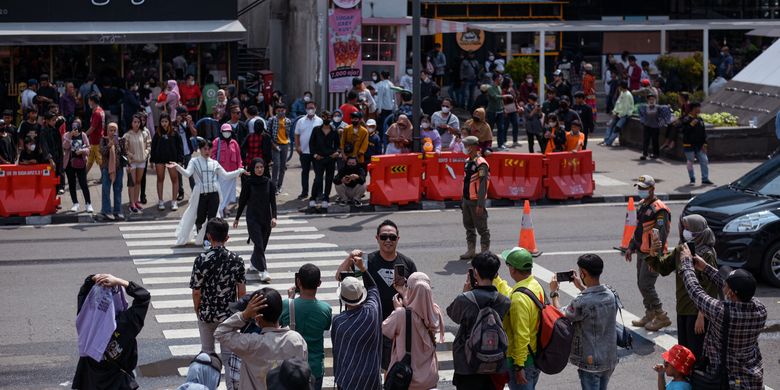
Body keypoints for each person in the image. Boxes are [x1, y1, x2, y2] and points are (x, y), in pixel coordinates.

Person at [679, 245, 767, 389]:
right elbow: (730, 288)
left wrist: (687, 263)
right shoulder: (760, 310)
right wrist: (706, 267)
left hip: (725, 380)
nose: (723, 284)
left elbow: (695, 292)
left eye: (726, 284)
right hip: (751, 379)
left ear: (731, 293)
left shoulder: (721, 312)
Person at [336, 220, 418, 370]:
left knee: (393, 366)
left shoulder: (407, 263)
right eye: (384, 237)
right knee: (370, 364)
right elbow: (339, 276)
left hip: (397, 323)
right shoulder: (368, 261)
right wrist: (349, 258)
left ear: (398, 239)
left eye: (392, 237)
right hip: (371, 322)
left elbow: (416, 293)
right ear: (377, 238)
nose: (388, 240)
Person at [646, 215, 719, 358]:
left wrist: (701, 315)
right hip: (682, 308)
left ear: (697, 231)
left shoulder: (707, 254)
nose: (685, 232)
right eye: (684, 228)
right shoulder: (681, 249)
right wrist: (653, 251)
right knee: (684, 352)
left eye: (688, 229)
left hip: (697, 312)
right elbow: (663, 268)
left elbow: (711, 287)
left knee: (696, 352)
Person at [214, 288, 308, 390]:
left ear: (257, 318)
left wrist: (244, 315)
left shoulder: (251, 343)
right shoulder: (296, 340)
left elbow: (220, 333)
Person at [549, 254, 619, 389]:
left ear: (583, 273)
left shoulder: (582, 302)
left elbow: (560, 314)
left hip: (590, 362)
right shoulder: (611, 294)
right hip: (609, 358)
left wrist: (554, 292)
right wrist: (581, 287)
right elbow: (594, 299)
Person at [71, 274, 149, 390]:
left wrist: (93, 278)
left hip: (89, 381)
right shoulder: (126, 324)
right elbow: (143, 296)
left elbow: (84, 292)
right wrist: (121, 282)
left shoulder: (87, 318)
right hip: (118, 383)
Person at [447, 251, 511, 389]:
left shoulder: (465, 299)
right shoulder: (504, 301)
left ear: (475, 273)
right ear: (496, 274)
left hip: (467, 364)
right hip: (494, 362)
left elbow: (453, 315)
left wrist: (465, 292)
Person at [190, 218, 246, 371]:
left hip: (206, 313)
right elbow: (241, 292)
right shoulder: (237, 260)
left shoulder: (201, 259)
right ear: (227, 237)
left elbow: (196, 291)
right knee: (229, 357)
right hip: (228, 315)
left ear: (209, 236)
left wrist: (198, 310)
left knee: (207, 354)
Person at [172, 137, 246, 246]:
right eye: (204, 149)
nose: (207, 151)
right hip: (200, 195)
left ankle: (207, 241)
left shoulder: (215, 163)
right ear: (200, 150)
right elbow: (187, 174)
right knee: (200, 218)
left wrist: (240, 171)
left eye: (209, 149)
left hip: (214, 194)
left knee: (212, 218)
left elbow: (226, 175)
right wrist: (177, 167)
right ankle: (200, 235)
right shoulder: (194, 161)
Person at [625, 175, 673, 331]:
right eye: (639, 188)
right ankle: (650, 313)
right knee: (641, 283)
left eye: (644, 189)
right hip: (641, 251)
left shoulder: (660, 210)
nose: (640, 191)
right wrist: (631, 247)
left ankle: (662, 316)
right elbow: (639, 229)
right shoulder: (642, 205)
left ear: (652, 189)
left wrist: (655, 258)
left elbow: (661, 234)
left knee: (646, 284)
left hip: (652, 254)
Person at [382, 272, 444, 390]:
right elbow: (420, 306)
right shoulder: (435, 311)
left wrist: (398, 309)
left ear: (410, 289)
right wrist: (407, 297)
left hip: (406, 378)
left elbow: (385, 329)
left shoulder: (401, 315)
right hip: (429, 378)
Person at [493, 247, 544, 390]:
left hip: (523, 361)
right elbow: (511, 293)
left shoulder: (518, 299)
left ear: (513, 270)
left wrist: (519, 366)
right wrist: (497, 281)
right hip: (535, 355)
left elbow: (521, 335)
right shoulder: (534, 285)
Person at [331, 253, 382, 390]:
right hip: (371, 376)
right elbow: (373, 288)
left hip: (348, 378)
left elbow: (338, 349)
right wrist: (363, 269)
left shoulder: (339, 321)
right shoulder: (372, 311)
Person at [279, 264, 332, 390]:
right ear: (319, 283)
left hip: (291, 368)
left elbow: (280, 322)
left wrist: (290, 299)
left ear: (298, 282)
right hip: (314, 368)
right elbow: (326, 326)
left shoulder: (287, 305)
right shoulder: (325, 309)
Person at [234, 158, 277, 282]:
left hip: (266, 218)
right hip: (252, 218)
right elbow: (242, 201)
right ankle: (263, 271)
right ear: (253, 169)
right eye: (257, 167)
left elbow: (273, 203)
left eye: (261, 167)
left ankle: (254, 262)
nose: (259, 170)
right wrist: (237, 218)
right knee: (258, 243)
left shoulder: (269, 183)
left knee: (262, 245)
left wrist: (274, 217)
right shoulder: (248, 182)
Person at [459, 136, 490, 260]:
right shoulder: (468, 162)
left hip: (476, 201)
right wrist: (462, 200)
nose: (464, 148)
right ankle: (471, 251)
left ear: (471, 147)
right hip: (467, 200)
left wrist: (480, 204)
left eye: (465, 145)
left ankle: (485, 253)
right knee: (469, 226)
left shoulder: (481, 164)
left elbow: (483, 185)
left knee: (482, 228)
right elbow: (466, 182)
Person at [151, 113, 182, 211]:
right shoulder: (157, 133)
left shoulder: (175, 132)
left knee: (174, 179)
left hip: (172, 159)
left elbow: (180, 147)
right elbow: (153, 147)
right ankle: (160, 201)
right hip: (159, 159)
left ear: (169, 122)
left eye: (166, 121)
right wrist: (152, 160)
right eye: (162, 121)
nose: (164, 124)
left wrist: (180, 160)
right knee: (160, 178)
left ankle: (174, 201)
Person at [212, 124, 243, 217]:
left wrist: (240, 167)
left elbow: (238, 157)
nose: (227, 133)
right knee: (221, 192)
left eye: (228, 131)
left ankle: (224, 207)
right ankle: (220, 209)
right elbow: (212, 155)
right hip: (220, 172)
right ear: (221, 132)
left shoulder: (234, 143)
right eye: (225, 131)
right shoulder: (217, 142)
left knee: (229, 192)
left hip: (232, 172)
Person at [123, 114, 151, 214]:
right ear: (131, 123)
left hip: (142, 161)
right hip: (132, 162)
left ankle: (136, 201)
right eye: (135, 122)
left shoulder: (144, 133)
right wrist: (131, 156)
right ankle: (131, 203)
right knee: (132, 182)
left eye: (138, 122)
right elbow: (124, 149)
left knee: (138, 182)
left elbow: (148, 145)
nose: (137, 124)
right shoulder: (127, 135)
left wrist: (145, 154)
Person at [294, 100, 322, 200]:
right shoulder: (300, 121)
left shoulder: (320, 121)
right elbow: (296, 134)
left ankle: (318, 193)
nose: (310, 110)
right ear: (305, 109)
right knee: (305, 173)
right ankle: (304, 192)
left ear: (315, 108)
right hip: (304, 151)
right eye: (309, 108)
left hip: (316, 152)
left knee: (318, 173)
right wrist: (297, 147)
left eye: (312, 108)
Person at [308, 121, 340, 211]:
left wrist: (337, 152)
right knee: (318, 178)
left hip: (331, 158)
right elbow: (311, 143)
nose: (326, 119)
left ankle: (326, 198)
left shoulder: (334, 130)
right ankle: (313, 198)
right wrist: (314, 155)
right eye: (324, 117)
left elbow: (339, 144)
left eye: (328, 117)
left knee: (329, 179)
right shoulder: (316, 129)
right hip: (319, 158)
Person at [99, 123, 127, 221]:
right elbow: (102, 152)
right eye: (110, 130)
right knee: (106, 190)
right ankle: (106, 211)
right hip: (107, 168)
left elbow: (124, 153)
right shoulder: (103, 140)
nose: (112, 132)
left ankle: (117, 211)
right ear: (107, 131)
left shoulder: (121, 140)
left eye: (114, 130)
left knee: (118, 189)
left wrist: (117, 145)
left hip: (119, 168)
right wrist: (109, 146)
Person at [62, 120, 92, 213]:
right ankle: (75, 203)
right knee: (72, 184)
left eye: (77, 124)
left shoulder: (83, 135)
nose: (75, 127)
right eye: (74, 124)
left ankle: (88, 203)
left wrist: (82, 151)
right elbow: (65, 147)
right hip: (69, 163)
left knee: (83, 183)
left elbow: (88, 148)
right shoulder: (66, 135)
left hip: (81, 162)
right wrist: (70, 135)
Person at [681, 103, 712, 185]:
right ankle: (692, 179)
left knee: (704, 160)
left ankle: (705, 179)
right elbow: (683, 131)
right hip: (689, 145)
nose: (699, 109)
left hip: (699, 145)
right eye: (698, 107)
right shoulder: (686, 119)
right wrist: (691, 125)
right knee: (690, 161)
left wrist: (705, 144)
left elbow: (703, 133)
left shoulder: (700, 119)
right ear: (693, 109)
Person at [601, 81, 634, 147]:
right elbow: (617, 104)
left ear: (621, 87)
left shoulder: (627, 95)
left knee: (616, 129)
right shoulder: (622, 93)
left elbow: (625, 108)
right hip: (617, 114)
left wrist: (617, 114)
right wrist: (614, 112)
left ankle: (608, 142)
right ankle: (606, 140)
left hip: (624, 115)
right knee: (610, 125)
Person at [638, 94, 670, 160]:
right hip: (647, 126)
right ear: (648, 100)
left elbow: (666, 110)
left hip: (655, 127)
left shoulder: (658, 107)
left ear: (655, 100)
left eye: (653, 99)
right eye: (650, 99)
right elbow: (640, 110)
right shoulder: (645, 107)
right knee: (646, 140)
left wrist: (668, 107)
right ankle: (644, 154)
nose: (651, 100)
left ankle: (656, 154)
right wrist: (643, 121)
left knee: (655, 141)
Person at [175, 108, 198, 201]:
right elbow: (172, 134)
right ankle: (181, 192)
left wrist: (189, 123)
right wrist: (177, 123)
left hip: (188, 152)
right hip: (178, 153)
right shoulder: (174, 123)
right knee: (179, 174)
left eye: (185, 114)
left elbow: (195, 134)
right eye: (181, 115)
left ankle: (194, 192)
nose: (183, 116)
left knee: (190, 173)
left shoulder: (188, 123)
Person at [268, 103, 291, 195]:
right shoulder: (272, 120)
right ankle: (273, 186)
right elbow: (268, 132)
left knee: (282, 167)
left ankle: (279, 186)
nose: (281, 112)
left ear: (285, 110)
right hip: (275, 144)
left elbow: (288, 133)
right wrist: (272, 143)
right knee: (276, 165)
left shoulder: (288, 121)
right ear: (276, 111)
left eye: (282, 110)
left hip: (285, 145)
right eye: (279, 110)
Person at [85, 94, 106, 177]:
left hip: (97, 141)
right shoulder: (100, 110)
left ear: (92, 101)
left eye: (89, 100)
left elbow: (92, 128)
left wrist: (83, 135)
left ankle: (104, 177)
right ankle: (83, 176)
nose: (88, 102)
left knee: (100, 161)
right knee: (90, 160)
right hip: (95, 140)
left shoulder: (97, 113)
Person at [487, 74, 507, 149]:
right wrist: (504, 96)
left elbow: (500, 100)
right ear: (496, 79)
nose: (501, 79)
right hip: (492, 111)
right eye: (500, 78)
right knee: (490, 129)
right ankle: (488, 145)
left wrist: (504, 108)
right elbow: (495, 97)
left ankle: (500, 144)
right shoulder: (490, 88)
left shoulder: (499, 87)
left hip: (500, 111)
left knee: (501, 128)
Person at [502, 77, 521, 148]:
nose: (512, 83)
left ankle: (515, 141)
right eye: (510, 82)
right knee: (505, 126)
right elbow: (502, 101)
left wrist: (518, 107)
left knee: (515, 125)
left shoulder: (512, 89)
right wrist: (504, 110)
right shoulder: (503, 90)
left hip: (513, 109)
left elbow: (515, 100)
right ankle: (504, 141)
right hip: (506, 109)